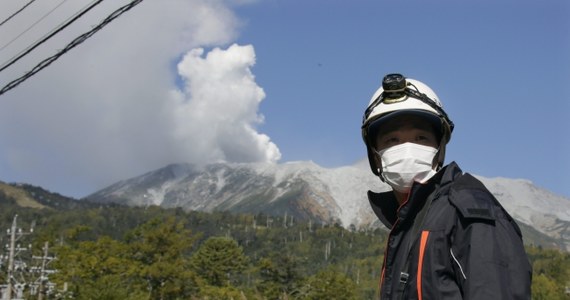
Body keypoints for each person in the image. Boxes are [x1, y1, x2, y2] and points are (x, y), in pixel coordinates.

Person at [361, 73, 532, 299]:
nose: (407, 150)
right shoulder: (408, 221)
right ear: (375, 155)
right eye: (392, 140)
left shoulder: (468, 212)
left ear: (439, 147)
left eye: (420, 138)